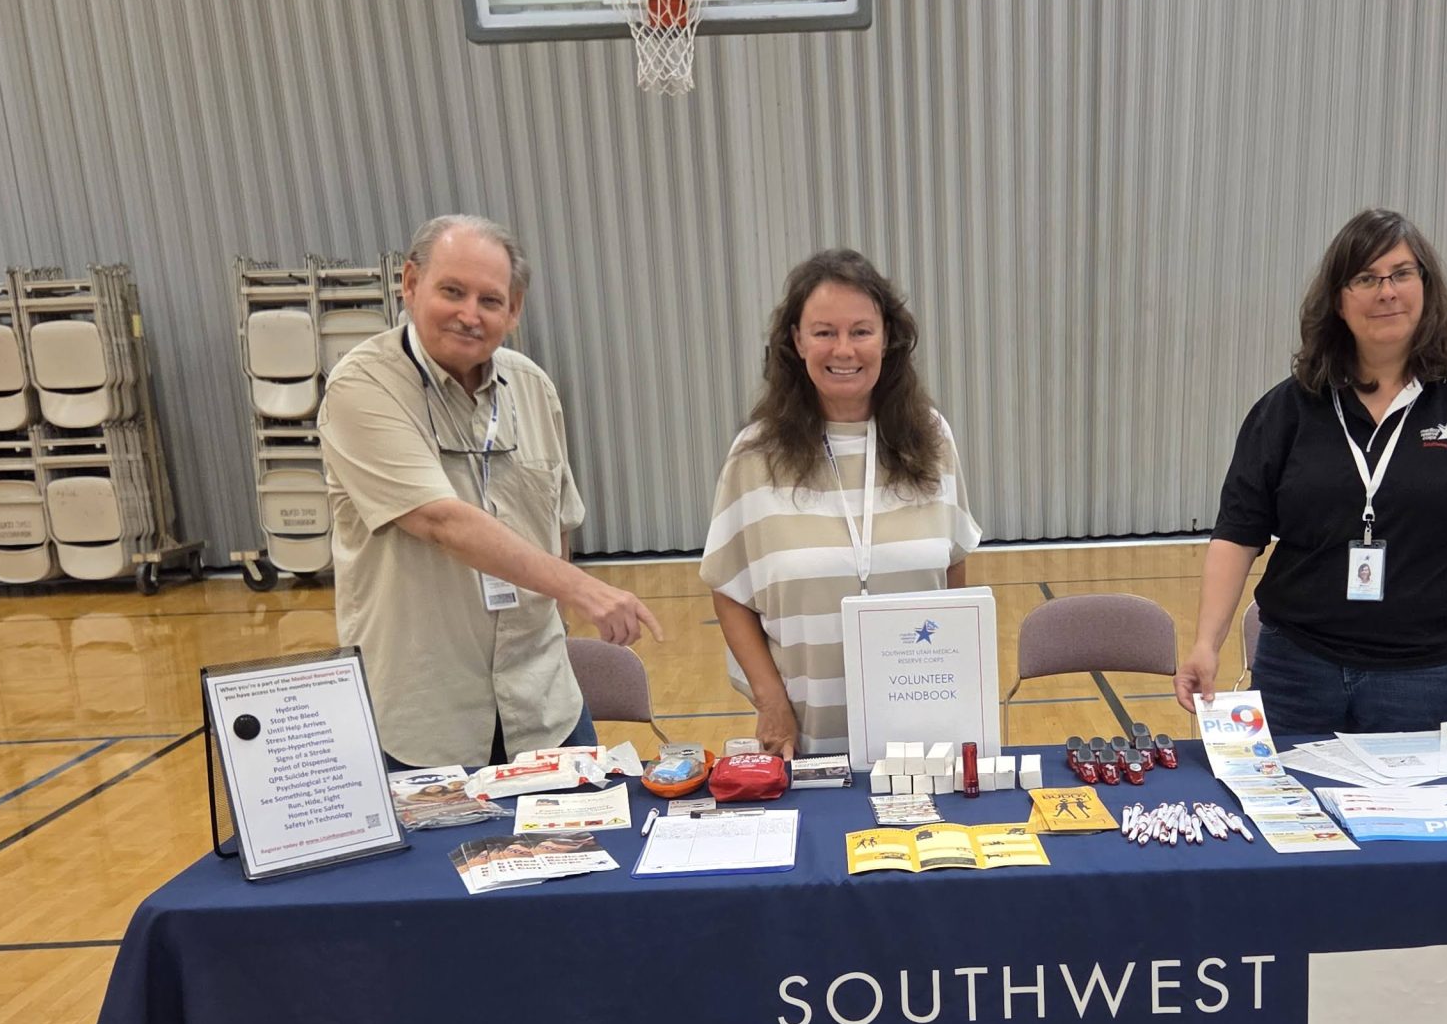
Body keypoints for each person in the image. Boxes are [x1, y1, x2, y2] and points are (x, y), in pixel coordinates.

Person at [1173, 208, 1447, 733]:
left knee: (1413, 815)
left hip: (1427, 674)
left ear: (1425, 287)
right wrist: (1206, 645)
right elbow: (1236, 535)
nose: (1386, 291)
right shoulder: (1287, 410)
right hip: (1299, 667)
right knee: (1295, 814)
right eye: (1365, 278)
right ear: (1338, 302)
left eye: (1401, 273)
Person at [319, 214, 661, 770]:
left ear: (514, 311)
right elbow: (441, 522)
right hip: (426, 718)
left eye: (490, 300)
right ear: (410, 283)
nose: (469, 315)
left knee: (589, 855)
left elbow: (559, 522)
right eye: (452, 291)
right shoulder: (363, 387)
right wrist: (583, 590)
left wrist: (557, 613)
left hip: (545, 706)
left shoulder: (531, 387)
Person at [701, 250, 983, 757]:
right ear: (797, 340)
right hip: (806, 740)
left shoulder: (932, 439)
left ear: (888, 339)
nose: (844, 349)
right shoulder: (755, 455)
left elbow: (953, 569)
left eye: (861, 331)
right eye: (824, 331)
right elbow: (729, 590)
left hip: (925, 736)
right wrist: (771, 704)